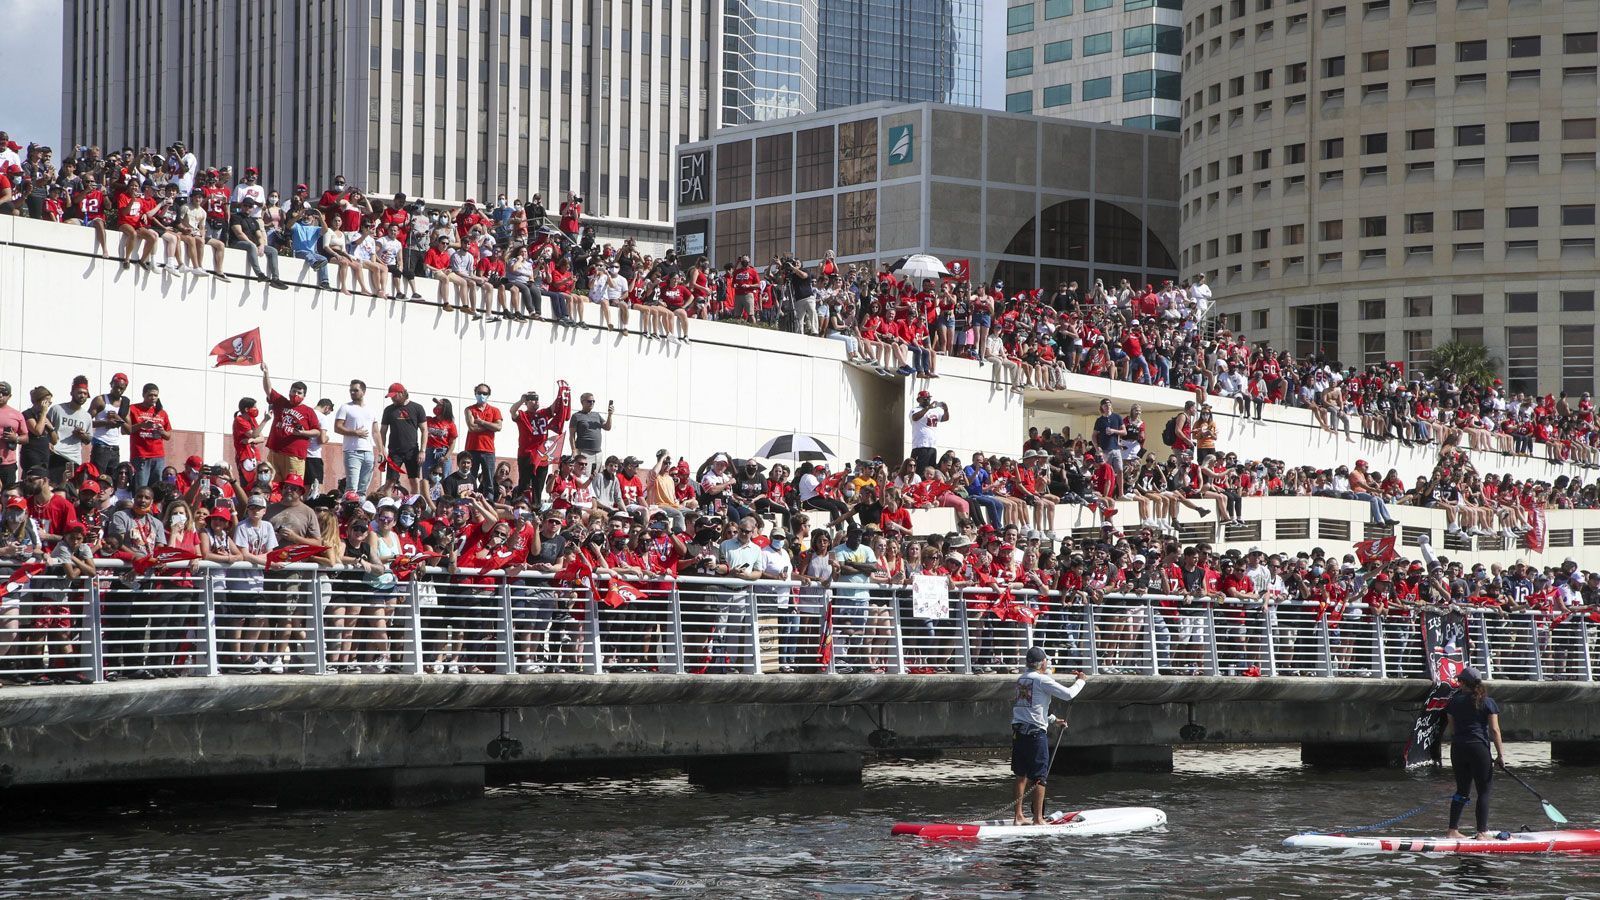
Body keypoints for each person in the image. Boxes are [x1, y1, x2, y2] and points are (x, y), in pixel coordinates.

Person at [1011, 647, 1087, 826]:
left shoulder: (1022, 679)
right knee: (1039, 777)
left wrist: (1053, 720)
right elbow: (1069, 695)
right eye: (1046, 661)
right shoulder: (1042, 679)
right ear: (1042, 663)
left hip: (1019, 733)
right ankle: (1038, 819)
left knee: (1021, 775)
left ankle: (1018, 817)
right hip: (1035, 734)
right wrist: (1081, 681)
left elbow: (1031, 706)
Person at [1443, 667, 1506, 840]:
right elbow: (1494, 730)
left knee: (1462, 790)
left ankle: (1452, 830)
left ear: (1463, 682)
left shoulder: (1454, 702)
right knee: (1483, 792)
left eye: (1459, 681)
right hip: (1479, 749)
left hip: (1458, 748)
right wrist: (1500, 756)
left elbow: (1452, 728)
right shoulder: (1488, 702)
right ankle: (1482, 832)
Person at [909, 390, 949, 473]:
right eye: (925, 399)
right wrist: (928, 408)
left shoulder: (934, 411)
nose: (927, 400)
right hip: (920, 445)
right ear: (919, 400)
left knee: (931, 471)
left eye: (928, 398)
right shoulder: (915, 409)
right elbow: (915, 417)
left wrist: (945, 410)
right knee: (920, 471)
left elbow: (945, 418)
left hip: (932, 445)